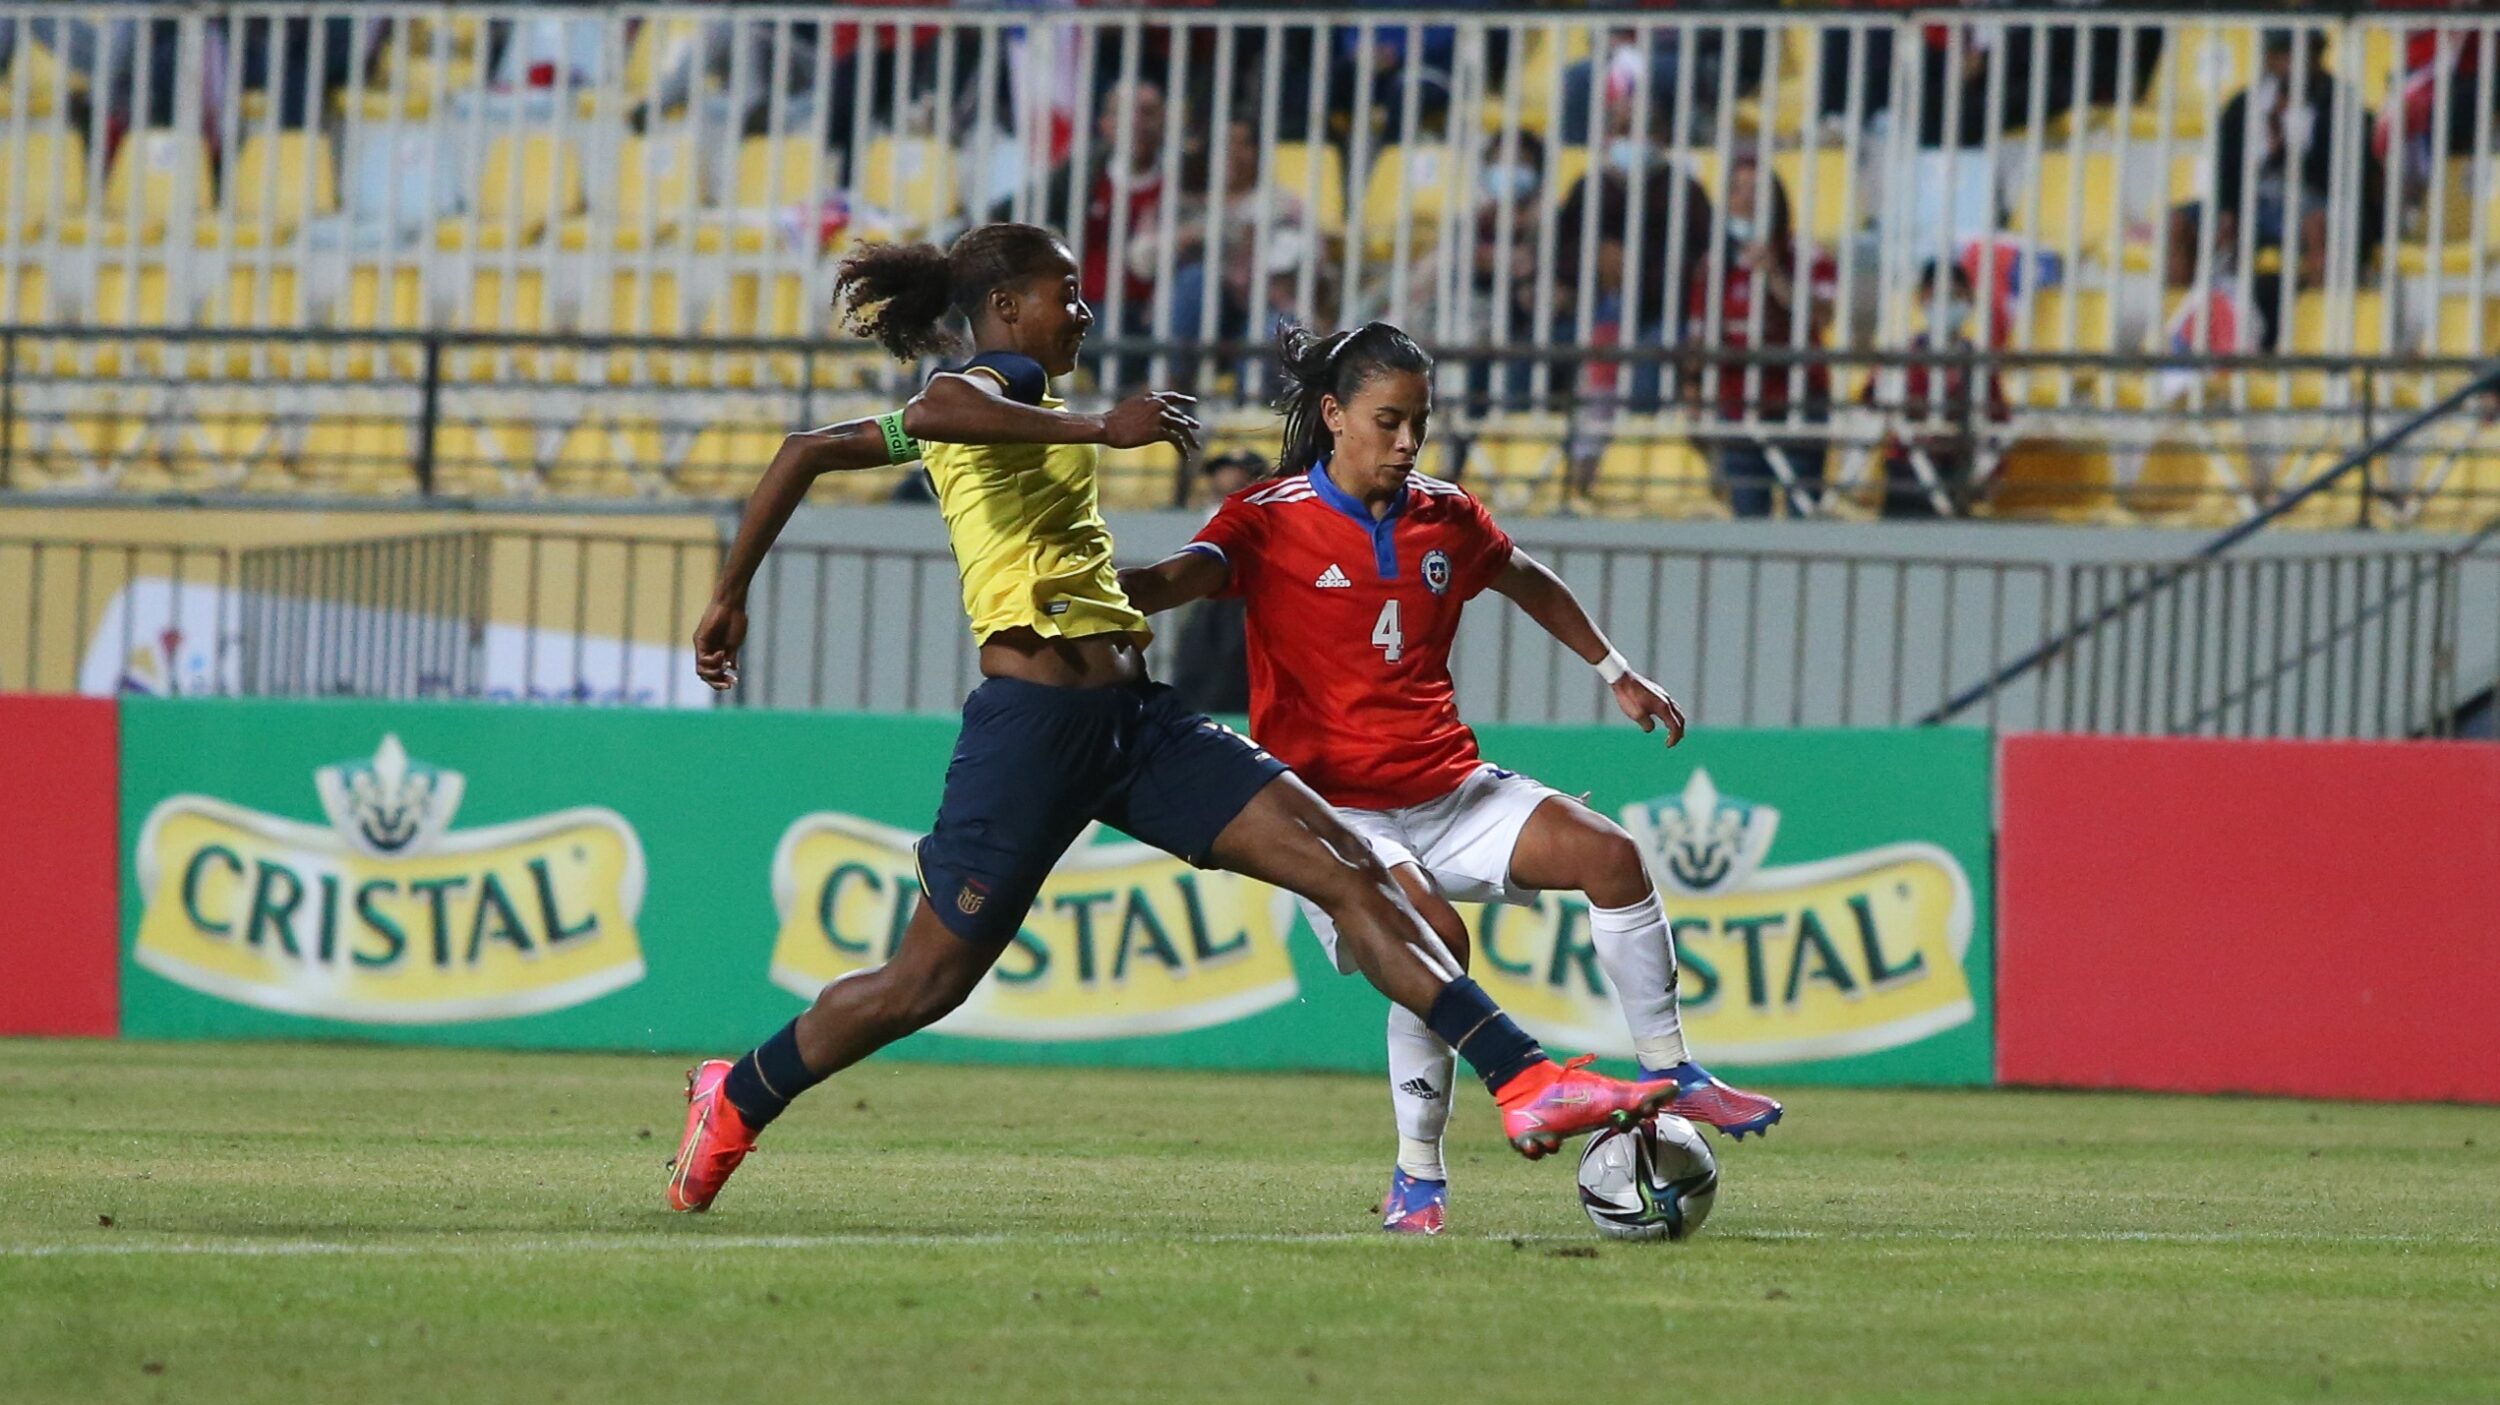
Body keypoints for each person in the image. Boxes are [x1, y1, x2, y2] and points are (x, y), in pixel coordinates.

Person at [670, 226, 1678, 1214]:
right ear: (1004, 308)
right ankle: (740, 1091)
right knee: (921, 985)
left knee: (1352, 866)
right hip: (1031, 729)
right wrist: (1099, 429)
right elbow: (939, 406)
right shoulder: (986, 391)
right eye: (1064, 291)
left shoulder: (1011, 408)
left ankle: (1524, 1077)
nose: (1083, 309)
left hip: (1136, 719)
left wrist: (729, 592)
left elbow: (805, 452)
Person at [1118, 322, 1784, 1236]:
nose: (1404, 442)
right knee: (1432, 933)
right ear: (1332, 415)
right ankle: (1419, 1177)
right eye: (1387, 421)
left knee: (1615, 858)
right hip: (1334, 814)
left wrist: (1615, 670)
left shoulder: (1446, 514)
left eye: (1417, 424)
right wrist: (1100, 592)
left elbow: (1522, 575)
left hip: (1449, 788)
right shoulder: (1268, 517)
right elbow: (1187, 575)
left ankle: (1675, 1072)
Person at [1685, 152, 1835, 519]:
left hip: (1798, 404)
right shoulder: (1713, 265)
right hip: (1738, 407)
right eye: (1736, 189)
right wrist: (1693, 397)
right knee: (1748, 522)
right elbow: (1699, 338)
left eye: (1757, 189)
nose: (1746, 198)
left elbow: (1823, 316)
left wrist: (1775, 275)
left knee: (1806, 520)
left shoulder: (1808, 255)